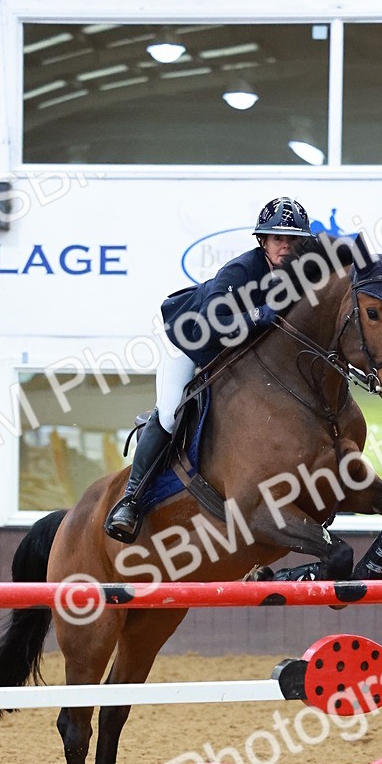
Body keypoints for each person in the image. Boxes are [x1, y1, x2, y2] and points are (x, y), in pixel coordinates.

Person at [104, 196, 312, 542]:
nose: (286, 247)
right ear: (263, 241)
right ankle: (131, 498)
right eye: (278, 239)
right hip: (191, 340)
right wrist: (259, 315)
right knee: (171, 413)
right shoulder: (241, 271)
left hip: (235, 349)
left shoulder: (303, 267)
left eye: (293, 240)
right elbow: (213, 325)